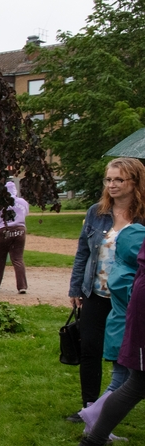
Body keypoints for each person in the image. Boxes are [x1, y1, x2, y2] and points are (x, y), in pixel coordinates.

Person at [66, 158, 145, 423]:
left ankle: (109, 409)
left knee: (122, 353)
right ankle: (88, 406)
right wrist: (76, 288)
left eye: (118, 179)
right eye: (108, 179)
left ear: (135, 182)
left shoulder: (143, 216)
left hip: (130, 298)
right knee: (90, 348)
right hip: (96, 292)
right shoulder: (96, 213)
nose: (112, 185)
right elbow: (83, 252)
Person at [72, 225, 145, 446]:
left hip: (125, 329)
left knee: (132, 383)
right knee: (132, 383)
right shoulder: (127, 276)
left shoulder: (126, 270)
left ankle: (91, 444)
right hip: (126, 330)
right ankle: (92, 432)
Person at [0, 181, 30, 293]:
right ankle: (22, 286)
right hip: (20, 230)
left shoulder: (0, 201)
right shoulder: (23, 202)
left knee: (0, 260)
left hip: (3, 230)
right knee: (18, 259)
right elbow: (26, 213)